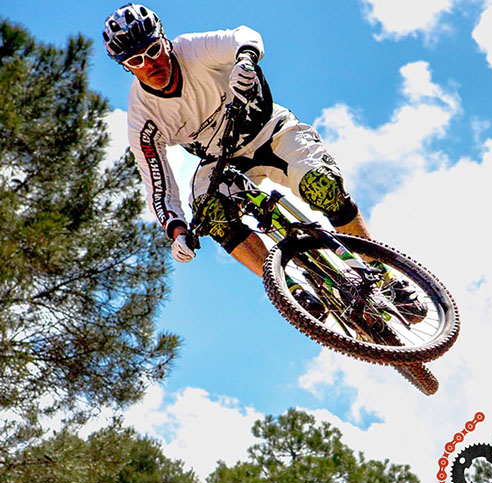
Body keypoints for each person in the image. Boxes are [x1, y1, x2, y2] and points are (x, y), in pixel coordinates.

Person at [102, 3, 424, 322]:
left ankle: (384, 277)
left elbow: (243, 35)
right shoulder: (142, 119)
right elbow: (159, 185)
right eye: (136, 60)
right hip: (222, 161)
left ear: (164, 40)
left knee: (322, 186)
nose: (150, 63)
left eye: (154, 50)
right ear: (126, 67)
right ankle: (290, 289)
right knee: (209, 212)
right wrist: (176, 230)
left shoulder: (193, 50)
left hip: (270, 130)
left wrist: (245, 59)